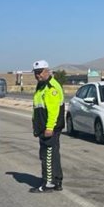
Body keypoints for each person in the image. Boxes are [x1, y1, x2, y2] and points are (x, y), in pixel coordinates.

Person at [29, 60, 65, 193]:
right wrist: (35, 127)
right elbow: (37, 109)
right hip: (42, 128)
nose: (38, 75)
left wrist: (49, 127)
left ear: (47, 71)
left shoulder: (51, 87)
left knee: (47, 155)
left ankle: (48, 183)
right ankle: (57, 181)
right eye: (36, 73)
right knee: (52, 154)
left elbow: (53, 111)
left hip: (50, 129)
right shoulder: (41, 86)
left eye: (40, 72)